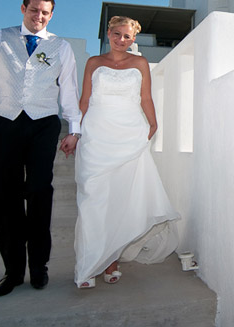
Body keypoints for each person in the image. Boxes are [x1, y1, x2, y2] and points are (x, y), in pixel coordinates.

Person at [0, 0, 82, 297]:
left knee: (40, 193)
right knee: (5, 198)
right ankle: (13, 271)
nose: (38, 16)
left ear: (51, 15)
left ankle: (39, 267)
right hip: (4, 124)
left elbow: (68, 89)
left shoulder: (61, 47)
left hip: (43, 125)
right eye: (34, 10)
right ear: (23, 8)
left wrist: (74, 128)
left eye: (45, 12)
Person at [73, 16, 180, 289]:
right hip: (97, 137)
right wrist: (75, 133)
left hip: (130, 135)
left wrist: (153, 123)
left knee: (121, 199)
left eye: (128, 37)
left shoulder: (140, 63)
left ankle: (110, 261)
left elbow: (145, 97)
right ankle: (87, 266)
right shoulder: (94, 63)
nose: (122, 40)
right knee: (93, 200)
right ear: (108, 34)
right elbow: (84, 100)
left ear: (134, 39)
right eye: (117, 34)